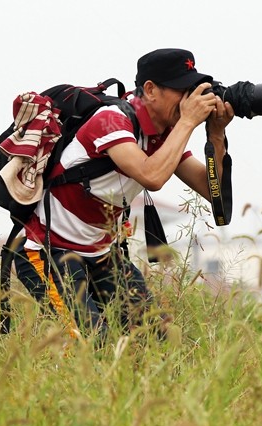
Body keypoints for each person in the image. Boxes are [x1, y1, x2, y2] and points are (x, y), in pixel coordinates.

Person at [13, 48, 234, 338]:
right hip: (48, 252)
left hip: (102, 255)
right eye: (182, 90)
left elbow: (211, 189)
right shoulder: (112, 120)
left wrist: (216, 134)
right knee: (92, 344)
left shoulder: (164, 133)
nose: (188, 101)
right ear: (151, 90)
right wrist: (188, 122)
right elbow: (151, 175)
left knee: (155, 338)